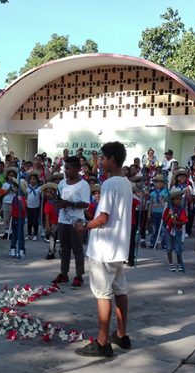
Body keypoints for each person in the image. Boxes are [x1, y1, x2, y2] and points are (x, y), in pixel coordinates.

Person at [73, 141, 132, 358]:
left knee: (103, 294)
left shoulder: (109, 184)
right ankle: (121, 334)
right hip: (118, 247)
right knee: (120, 290)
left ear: (112, 160)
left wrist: (85, 226)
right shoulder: (126, 183)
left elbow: (104, 217)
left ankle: (102, 341)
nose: (100, 161)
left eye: (103, 158)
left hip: (103, 248)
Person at [50, 157, 90, 288]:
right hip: (63, 219)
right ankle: (64, 273)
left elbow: (85, 204)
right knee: (64, 248)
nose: (65, 171)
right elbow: (60, 198)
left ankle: (79, 275)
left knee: (77, 248)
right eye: (64, 168)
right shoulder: (62, 183)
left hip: (76, 221)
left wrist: (68, 203)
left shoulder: (83, 185)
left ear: (77, 169)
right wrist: (57, 202)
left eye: (68, 168)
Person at [164, 189, 187, 272]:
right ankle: (171, 263)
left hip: (178, 231)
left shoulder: (182, 211)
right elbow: (165, 220)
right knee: (169, 248)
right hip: (169, 230)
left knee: (178, 249)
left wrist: (177, 222)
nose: (179, 201)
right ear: (172, 200)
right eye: (176, 199)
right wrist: (169, 215)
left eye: (180, 199)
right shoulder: (168, 210)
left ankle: (179, 263)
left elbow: (184, 221)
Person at [147, 174, 168, 249]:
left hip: (162, 213)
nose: (159, 184)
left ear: (164, 183)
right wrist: (149, 214)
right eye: (157, 182)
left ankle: (164, 243)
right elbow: (150, 204)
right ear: (155, 183)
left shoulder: (165, 191)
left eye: (161, 182)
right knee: (154, 229)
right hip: (155, 212)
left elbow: (167, 201)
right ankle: (153, 242)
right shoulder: (152, 193)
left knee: (163, 230)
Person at [8, 178, 27, 258]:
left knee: (20, 235)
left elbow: (23, 208)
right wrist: (9, 216)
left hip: (20, 219)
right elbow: (12, 208)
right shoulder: (14, 197)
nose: (13, 188)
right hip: (14, 218)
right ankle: (13, 249)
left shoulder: (21, 198)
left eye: (15, 187)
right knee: (14, 235)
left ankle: (21, 250)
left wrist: (21, 201)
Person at [41, 182, 59, 260]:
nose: (49, 194)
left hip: (61, 222)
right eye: (47, 192)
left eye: (51, 192)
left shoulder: (59, 202)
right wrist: (47, 225)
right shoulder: (48, 203)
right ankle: (51, 251)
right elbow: (47, 215)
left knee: (62, 237)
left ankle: (63, 250)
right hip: (53, 223)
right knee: (52, 237)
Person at [26, 171, 42, 240]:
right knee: (29, 221)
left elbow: (41, 196)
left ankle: (35, 234)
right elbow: (26, 196)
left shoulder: (39, 188)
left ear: (37, 180)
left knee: (35, 221)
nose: (32, 180)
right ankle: (29, 234)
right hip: (29, 206)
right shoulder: (27, 188)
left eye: (34, 179)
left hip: (36, 206)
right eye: (31, 179)